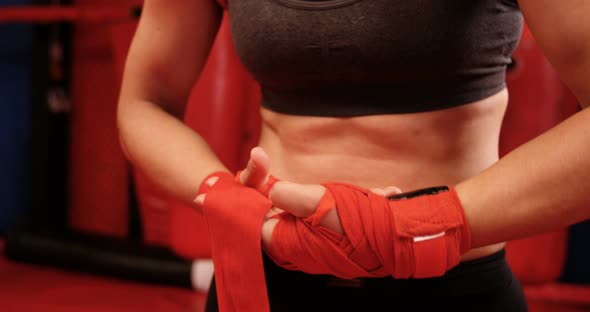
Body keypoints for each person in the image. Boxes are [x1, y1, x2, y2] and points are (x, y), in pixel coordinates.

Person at [117, 0, 590, 311]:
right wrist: (222, 196)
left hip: (447, 283)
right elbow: (143, 104)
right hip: (263, 281)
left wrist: (411, 225)